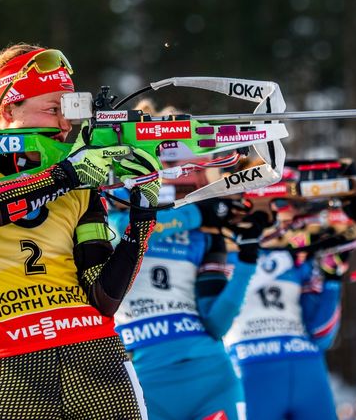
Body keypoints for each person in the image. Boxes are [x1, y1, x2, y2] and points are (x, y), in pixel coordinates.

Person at [0, 43, 161, 419]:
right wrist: (66, 175)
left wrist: (142, 221)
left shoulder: (80, 184)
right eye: (53, 109)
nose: (66, 126)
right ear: (8, 107)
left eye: (69, 112)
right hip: (14, 373)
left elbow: (102, 299)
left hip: (99, 364)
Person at [108, 100, 270, 420]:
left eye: (191, 170)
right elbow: (125, 232)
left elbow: (215, 322)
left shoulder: (206, 235)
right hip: (143, 382)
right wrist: (198, 213)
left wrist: (247, 261)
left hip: (210, 377)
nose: (182, 180)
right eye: (173, 170)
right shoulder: (117, 208)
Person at [224, 166, 356, 420]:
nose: (292, 214)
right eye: (280, 202)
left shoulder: (301, 257)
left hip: (305, 366)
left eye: (295, 205)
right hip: (249, 368)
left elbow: (321, 334)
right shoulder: (222, 248)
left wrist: (332, 276)